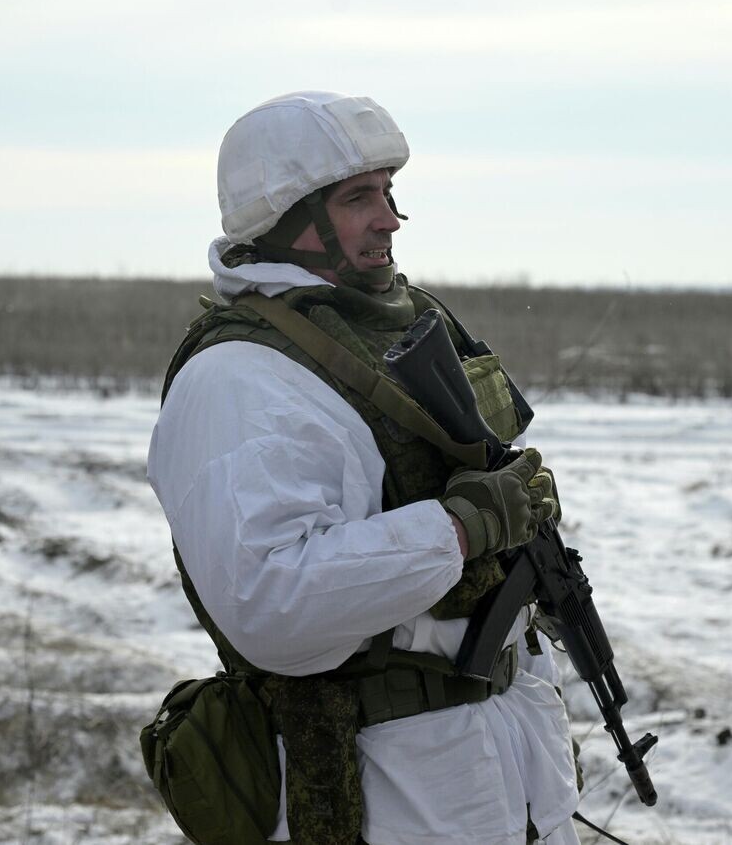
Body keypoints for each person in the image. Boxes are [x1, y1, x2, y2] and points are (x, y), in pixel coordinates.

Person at [147, 91, 580, 844]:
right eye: (358, 198)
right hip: (390, 799)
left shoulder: (396, 327)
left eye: (387, 192)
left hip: (495, 781)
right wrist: (461, 528)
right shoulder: (239, 380)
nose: (390, 218)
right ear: (287, 220)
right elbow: (272, 601)